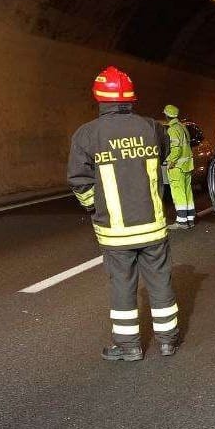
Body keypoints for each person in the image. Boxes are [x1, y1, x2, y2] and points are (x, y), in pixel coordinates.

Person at [68, 66, 181, 361]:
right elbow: (165, 154)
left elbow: (79, 181)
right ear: (131, 97)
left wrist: (94, 206)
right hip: (152, 225)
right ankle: (168, 341)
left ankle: (129, 347)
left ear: (99, 97)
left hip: (115, 231)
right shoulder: (152, 127)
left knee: (122, 285)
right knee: (160, 280)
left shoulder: (87, 134)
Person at [163, 104, 196, 230]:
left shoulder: (172, 130)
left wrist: (171, 161)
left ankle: (182, 221)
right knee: (188, 192)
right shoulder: (183, 127)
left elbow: (176, 149)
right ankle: (190, 219)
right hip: (187, 165)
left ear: (167, 116)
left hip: (178, 166)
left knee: (178, 192)